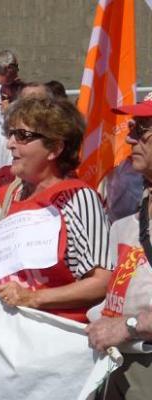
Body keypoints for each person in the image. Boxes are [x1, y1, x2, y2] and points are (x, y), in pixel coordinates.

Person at [0, 96, 112, 322]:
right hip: (6, 336)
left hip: (56, 341)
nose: (10, 143)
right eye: (11, 134)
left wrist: (33, 298)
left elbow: (101, 281)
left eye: (23, 136)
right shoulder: (9, 196)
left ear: (55, 148)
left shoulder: (77, 198)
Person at [86, 95, 152, 399]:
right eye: (132, 128)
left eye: (141, 131)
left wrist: (129, 326)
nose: (129, 138)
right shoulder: (130, 216)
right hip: (117, 363)